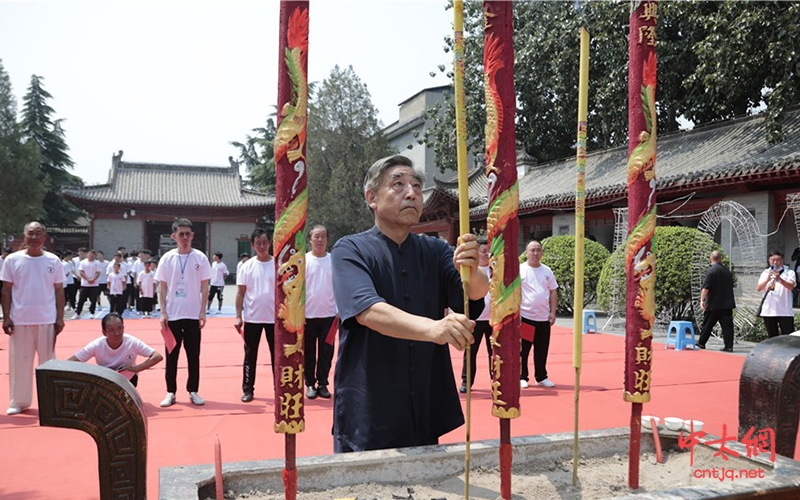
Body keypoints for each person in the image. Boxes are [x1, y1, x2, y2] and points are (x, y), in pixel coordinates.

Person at [331, 154, 488, 452]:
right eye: (399, 184)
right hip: (370, 401)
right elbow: (368, 311)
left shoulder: (436, 250)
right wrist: (434, 329)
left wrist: (473, 268)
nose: (412, 192)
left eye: (416, 186)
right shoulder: (350, 249)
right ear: (372, 198)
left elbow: (473, 295)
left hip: (423, 397)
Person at [1, 222, 66, 415]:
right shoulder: (12, 260)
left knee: (48, 363)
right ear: (24, 236)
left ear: (44, 238)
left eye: (38, 234)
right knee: (20, 361)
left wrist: (60, 318)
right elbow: (6, 289)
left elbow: (59, 290)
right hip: (20, 319)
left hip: (46, 319)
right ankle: (19, 401)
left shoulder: (53, 261)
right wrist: (6, 317)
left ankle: (51, 402)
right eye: (31, 233)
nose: (34, 237)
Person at [155, 218, 211, 407]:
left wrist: (203, 311)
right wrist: (163, 312)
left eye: (188, 234)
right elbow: (162, 287)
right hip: (173, 315)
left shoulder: (200, 258)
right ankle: (170, 391)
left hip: (193, 315)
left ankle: (193, 390)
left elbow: (205, 286)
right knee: (172, 355)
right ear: (174, 236)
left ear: (193, 235)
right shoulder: (167, 258)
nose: (185, 237)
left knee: (193, 355)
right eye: (181, 234)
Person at [234, 228, 276, 403]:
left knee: (277, 356)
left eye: (265, 242)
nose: (262, 246)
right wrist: (238, 316)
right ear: (253, 245)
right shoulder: (247, 266)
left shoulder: (278, 264)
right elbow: (240, 293)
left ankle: (279, 388)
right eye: (258, 243)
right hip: (252, 318)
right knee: (250, 355)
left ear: (270, 243)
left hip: (275, 319)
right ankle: (248, 389)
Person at [68, 312, 163, 387]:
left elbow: (157, 356)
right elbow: (71, 362)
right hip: (105, 379)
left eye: (120, 328)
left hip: (127, 379)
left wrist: (135, 369)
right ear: (104, 332)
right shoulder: (96, 345)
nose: (117, 333)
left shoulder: (132, 342)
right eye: (112, 330)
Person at [519, 239, 558, 389]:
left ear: (541, 253)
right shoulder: (520, 270)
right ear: (526, 253)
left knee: (542, 349)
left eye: (538, 250)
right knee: (524, 350)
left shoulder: (547, 271)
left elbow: (553, 290)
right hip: (526, 317)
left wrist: (553, 312)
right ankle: (522, 377)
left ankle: (541, 376)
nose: (535, 253)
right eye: (532, 250)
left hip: (543, 318)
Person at [304, 225, 337, 400]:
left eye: (323, 236)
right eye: (316, 236)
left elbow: (340, 286)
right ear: (310, 239)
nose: (319, 240)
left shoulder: (334, 260)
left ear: (327, 239)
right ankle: (309, 383)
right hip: (308, 316)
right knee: (308, 352)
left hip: (329, 316)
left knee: (326, 352)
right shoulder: (303, 260)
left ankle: (323, 383)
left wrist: (339, 311)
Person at [460, 239, 493, 393]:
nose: (486, 254)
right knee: (470, 351)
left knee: (495, 352)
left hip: (494, 319)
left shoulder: (496, 270)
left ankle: (497, 381)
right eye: (483, 251)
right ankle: (467, 381)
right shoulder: (471, 272)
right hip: (476, 319)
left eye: (488, 251)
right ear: (478, 253)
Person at [697, 250, 736, 352]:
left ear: (711, 258)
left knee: (707, 324)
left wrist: (702, 300)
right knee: (727, 327)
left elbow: (706, 288)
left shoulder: (712, 271)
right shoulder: (727, 272)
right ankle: (729, 346)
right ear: (720, 258)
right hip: (727, 303)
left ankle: (701, 342)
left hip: (714, 303)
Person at [757, 251, 797, 338]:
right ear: (769, 261)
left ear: (782, 261)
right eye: (772, 260)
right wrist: (768, 279)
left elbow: (791, 286)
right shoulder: (765, 273)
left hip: (785, 311)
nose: (775, 262)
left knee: (788, 337)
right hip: (769, 311)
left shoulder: (789, 273)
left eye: (777, 260)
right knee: (772, 337)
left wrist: (780, 279)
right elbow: (759, 288)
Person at [76, 249, 102, 319]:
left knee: (93, 300)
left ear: (94, 255)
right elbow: (81, 271)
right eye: (90, 254)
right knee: (81, 299)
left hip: (94, 284)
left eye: (92, 254)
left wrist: (93, 279)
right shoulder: (83, 262)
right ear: (87, 254)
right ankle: (78, 313)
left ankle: (92, 312)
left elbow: (98, 272)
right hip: (85, 284)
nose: (91, 256)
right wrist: (87, 279)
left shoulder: (97, 263)